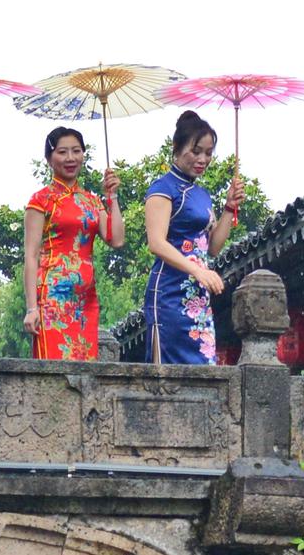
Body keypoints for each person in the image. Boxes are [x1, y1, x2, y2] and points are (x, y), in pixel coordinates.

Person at [142, 111, 242, 367]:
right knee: (170, 372)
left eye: (208, 153)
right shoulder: (162, 188)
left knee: (202, 369)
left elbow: (213, 247)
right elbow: (156, 243)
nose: (203, 159)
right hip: (169, 293)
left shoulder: (202, 194)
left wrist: (229, 208)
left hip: (198, 295)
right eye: (196, 151)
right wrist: (198, 271)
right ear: (177, 147)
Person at [23, 126, 124, 361]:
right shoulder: (41, 200)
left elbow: (116, 239)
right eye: (62, 152)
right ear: (49, 158)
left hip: (86, 300)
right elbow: (31, 255)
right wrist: (32, 308)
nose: (70, 158)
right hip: (52, 299)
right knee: (53, 372)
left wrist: (112, 197)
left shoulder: (91, 201)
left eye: (76, 151)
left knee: (84, 371)